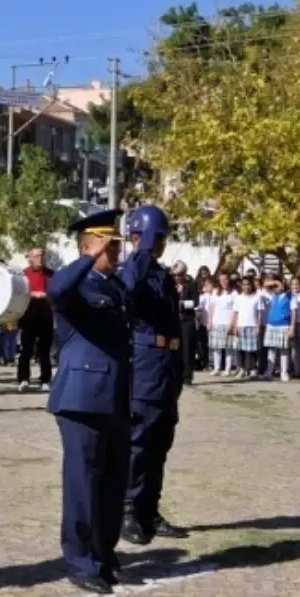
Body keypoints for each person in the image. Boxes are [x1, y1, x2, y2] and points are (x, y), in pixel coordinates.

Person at [47, 209, 144, 594]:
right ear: (89, 246)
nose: (115, 252)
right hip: (82, 399)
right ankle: (80, 560)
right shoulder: (77, 287)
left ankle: (104, 555)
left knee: (112, 484)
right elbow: (56, 291)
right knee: (82, 484)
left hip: (116, 397)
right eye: (108, 245)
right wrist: (87, 258)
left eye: (118, 245)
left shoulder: (115, 288)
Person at [120, 205, 188, 546]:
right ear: (138, 237)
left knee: (161, 441)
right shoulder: (134, 268)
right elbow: (129, 289)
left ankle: (149, 509)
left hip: (166, 364)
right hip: (146, 365)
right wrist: (142, 252)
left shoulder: (159, 274)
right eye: (156, 238)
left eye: (162, 238)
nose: (161, 244)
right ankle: (128, 508)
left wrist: (181, 366)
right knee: (140, 441)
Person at [17, 246, 55, 391]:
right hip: (29, 313)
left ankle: (45, 379)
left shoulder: (51, 274)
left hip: (46, 313)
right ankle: (23, 379)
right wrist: (33, 294)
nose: (40, 258)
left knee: (45, 349)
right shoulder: (23, 274)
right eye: (37, 256)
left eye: (42, 256)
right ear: (30, 258)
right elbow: (19, 293)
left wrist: (47, 295)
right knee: (26, 348)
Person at [172, 261, 199, 385]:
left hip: (187, 320)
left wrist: (182, 304)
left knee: (187, 348)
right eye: (176, 275)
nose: (178, 278)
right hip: (175, 320)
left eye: (180, 275)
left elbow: (196, 302)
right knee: (175, 348)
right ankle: (176, 374)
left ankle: (187, 376)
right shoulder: (171, 286)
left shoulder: (191, 285)